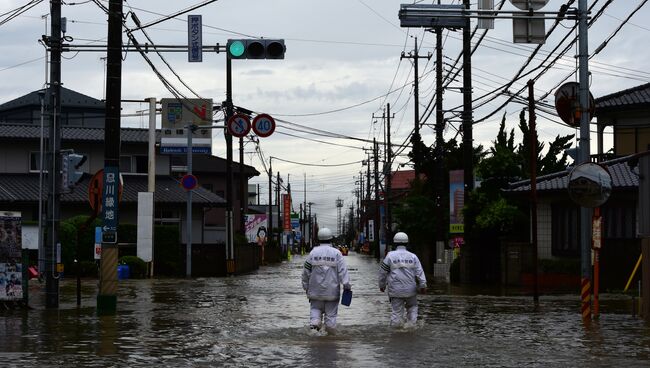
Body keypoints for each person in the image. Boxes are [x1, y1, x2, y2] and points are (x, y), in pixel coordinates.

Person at [301, 227, 351, 332]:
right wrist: (347, 287)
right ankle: (330, 339)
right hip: (332, 293)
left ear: (318, 239)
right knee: (331, 319)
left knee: (315, 312)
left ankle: (315, 327)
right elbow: (343, 272)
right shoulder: (337, 253)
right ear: (331, 239)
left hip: (315, 292)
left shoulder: (313, 253)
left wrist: (306, 287)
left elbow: (306, 272)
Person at [378, 232, 427, 326]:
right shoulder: (413, 256)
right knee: (412, 308)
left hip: (395, 290)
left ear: (394, 243)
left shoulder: (390, 256)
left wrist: (382, 285)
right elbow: (420, 272)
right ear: (407, 243)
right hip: (411, 290)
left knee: (396, 313)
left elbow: (382, 272)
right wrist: (423, 286)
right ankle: (412, 327)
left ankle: (396, 333)